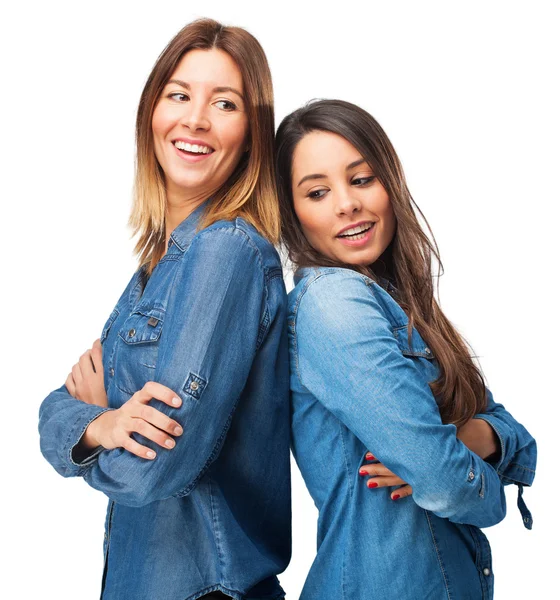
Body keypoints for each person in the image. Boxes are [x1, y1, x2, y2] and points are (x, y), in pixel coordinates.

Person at [38, 19, 291, 600]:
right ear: (151, 112)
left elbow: (148, 468)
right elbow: (56, 407)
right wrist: (99, 425)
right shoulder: (158, 267)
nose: (195, 118)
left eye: (224, 103)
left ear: (252, 133)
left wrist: (92, 426)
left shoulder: (227, 251)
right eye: (179, 94)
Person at [275, 99, 536, 599]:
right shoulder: (333, 302)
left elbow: (511, 433)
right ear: (294, 215)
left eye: (361, 178)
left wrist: (464, 438)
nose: (346, 204)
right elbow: (444, 481)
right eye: (317, 192)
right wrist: (464, 477)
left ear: (390, 184)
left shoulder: (404, 306)